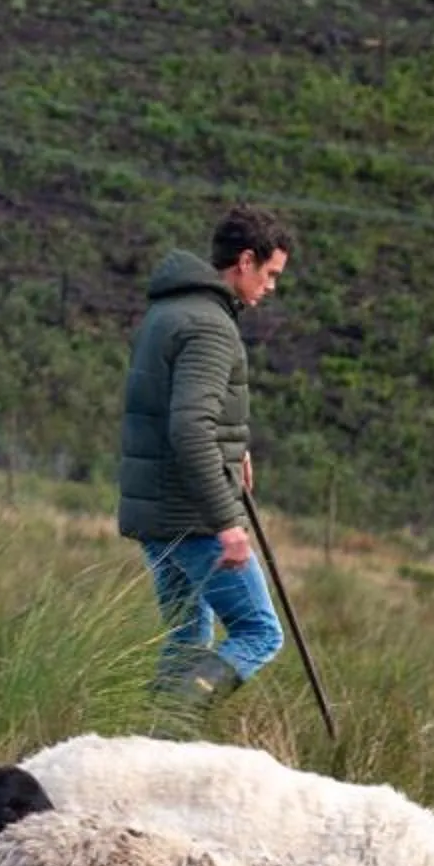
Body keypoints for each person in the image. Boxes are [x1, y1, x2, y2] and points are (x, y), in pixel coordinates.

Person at [115, 204, 291, 704]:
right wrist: (227, 524)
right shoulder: (212, 328)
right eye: (270, 274)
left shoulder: (168, 312)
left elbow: (180, 408)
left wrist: (236, 449)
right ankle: (173, 725)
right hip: (192, 516)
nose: (271, 287)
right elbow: (190, 428)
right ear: (245, 261)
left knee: (187, 639)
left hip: (156, 510)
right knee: (260, 633)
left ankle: (147, 748)